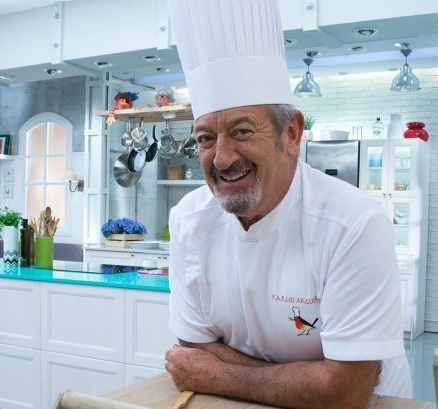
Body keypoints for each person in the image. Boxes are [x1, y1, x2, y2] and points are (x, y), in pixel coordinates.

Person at [164, 1, 411, 407]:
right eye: (206, 138)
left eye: (242, 131)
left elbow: (346, 393)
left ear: (292, 134)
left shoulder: (352, 223)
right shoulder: (189, 220)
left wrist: (218, 371)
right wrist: (314, 377)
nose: (221, 159)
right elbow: (192, 353)